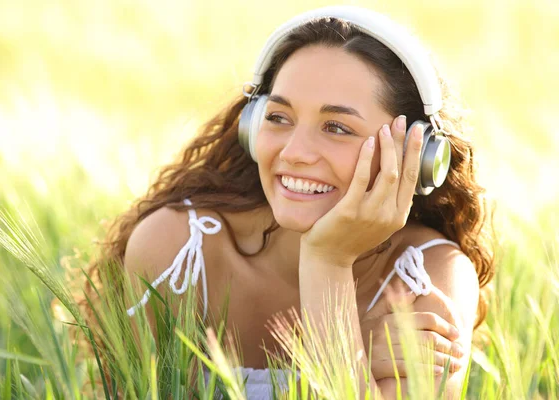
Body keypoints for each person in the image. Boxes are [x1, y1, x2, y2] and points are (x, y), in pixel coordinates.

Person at [90, 5, 495, 399]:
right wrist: (340, 357)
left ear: (415, 156)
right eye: (279, 118)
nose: (294, 151)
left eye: (336, 127)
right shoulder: (179, 252)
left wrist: (327, 261)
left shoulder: (426, 276)